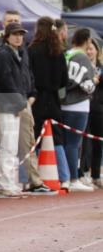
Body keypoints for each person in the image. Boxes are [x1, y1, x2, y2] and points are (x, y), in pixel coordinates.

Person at [0, 23, 33, 197]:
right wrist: (19, 101)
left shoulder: (19, 53)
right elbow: (6, 80)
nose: (18, 37)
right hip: (6, 104)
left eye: (21, 34)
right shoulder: (3, 54)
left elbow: (23, 79)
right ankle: (4, 184)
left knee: (12, 146)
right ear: (7, 36)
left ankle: (9, 182)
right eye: (15, 34)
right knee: (7, 145)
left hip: (15, 104)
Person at [28, 16, 69, 185]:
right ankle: (64, 177)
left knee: (35, 136)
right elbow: (64, 80)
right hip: (53, 99)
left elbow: (30, 75)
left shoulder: (32, 50)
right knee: (57, 137)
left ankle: (37, 178)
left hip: (37, 98)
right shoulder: (58, 51)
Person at [62, 28, 98, 191]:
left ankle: (68, 176)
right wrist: (95, 80)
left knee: (65, 143)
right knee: (74, 143)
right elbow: (88, 86)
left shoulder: (66, 55)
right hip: (78, 105)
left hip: (62, 103)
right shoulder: (82, 58)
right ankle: (73, 178)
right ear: (87, 41)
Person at [84, 38, 103, 188]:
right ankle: (83, 172)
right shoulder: (81, 67)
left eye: (92, 49)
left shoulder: (101, 68)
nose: (89, 52)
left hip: (98, 109)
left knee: (97, 142)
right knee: (84, 141)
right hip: (82, 106)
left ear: (97, 50)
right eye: (87, 49)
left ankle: (96, 174)